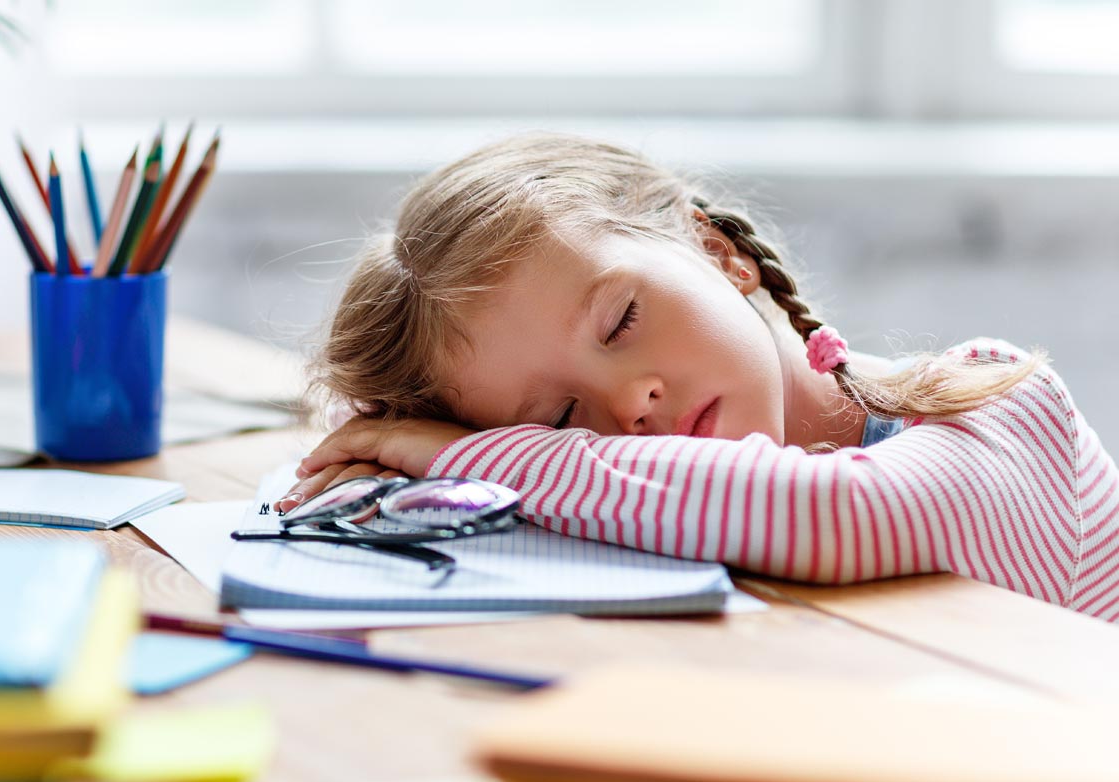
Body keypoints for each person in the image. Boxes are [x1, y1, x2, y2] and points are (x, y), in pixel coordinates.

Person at [277, 133, 1119, 622]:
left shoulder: (998, 400)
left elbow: (835, 512)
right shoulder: (647, 503)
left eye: (621, 322)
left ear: (718, 254)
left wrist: (456, 455)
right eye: (560, 418)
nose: (628, 404)